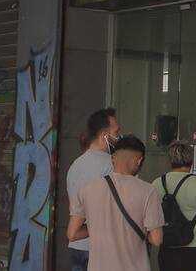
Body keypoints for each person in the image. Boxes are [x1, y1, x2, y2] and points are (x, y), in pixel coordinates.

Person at [67, 134, 164, 271]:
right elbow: (156, 239)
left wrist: (98, 227)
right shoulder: (149, 191)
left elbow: (72, 234)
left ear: (113, 158)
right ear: (139, 160)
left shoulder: (88, 190)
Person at [65, 108, 120, 271]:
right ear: (104, 135)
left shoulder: (76, 165)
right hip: (101, 249)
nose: (119, 137)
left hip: (77, 247)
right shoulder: (112, 165)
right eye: (116, 132)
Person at [152, 141, 196, 271]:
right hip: (195, 248)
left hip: (168, 247)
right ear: (191, 161)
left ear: (170, 161)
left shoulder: (157, 183)